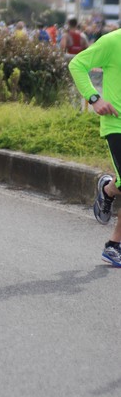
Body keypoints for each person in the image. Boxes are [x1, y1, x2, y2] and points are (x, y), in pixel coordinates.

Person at [68, 25, 121, 267]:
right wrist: (94, 97)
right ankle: (113, 246)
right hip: (116, 123)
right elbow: (77, 64)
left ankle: (109, 190)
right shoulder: (112, 41)